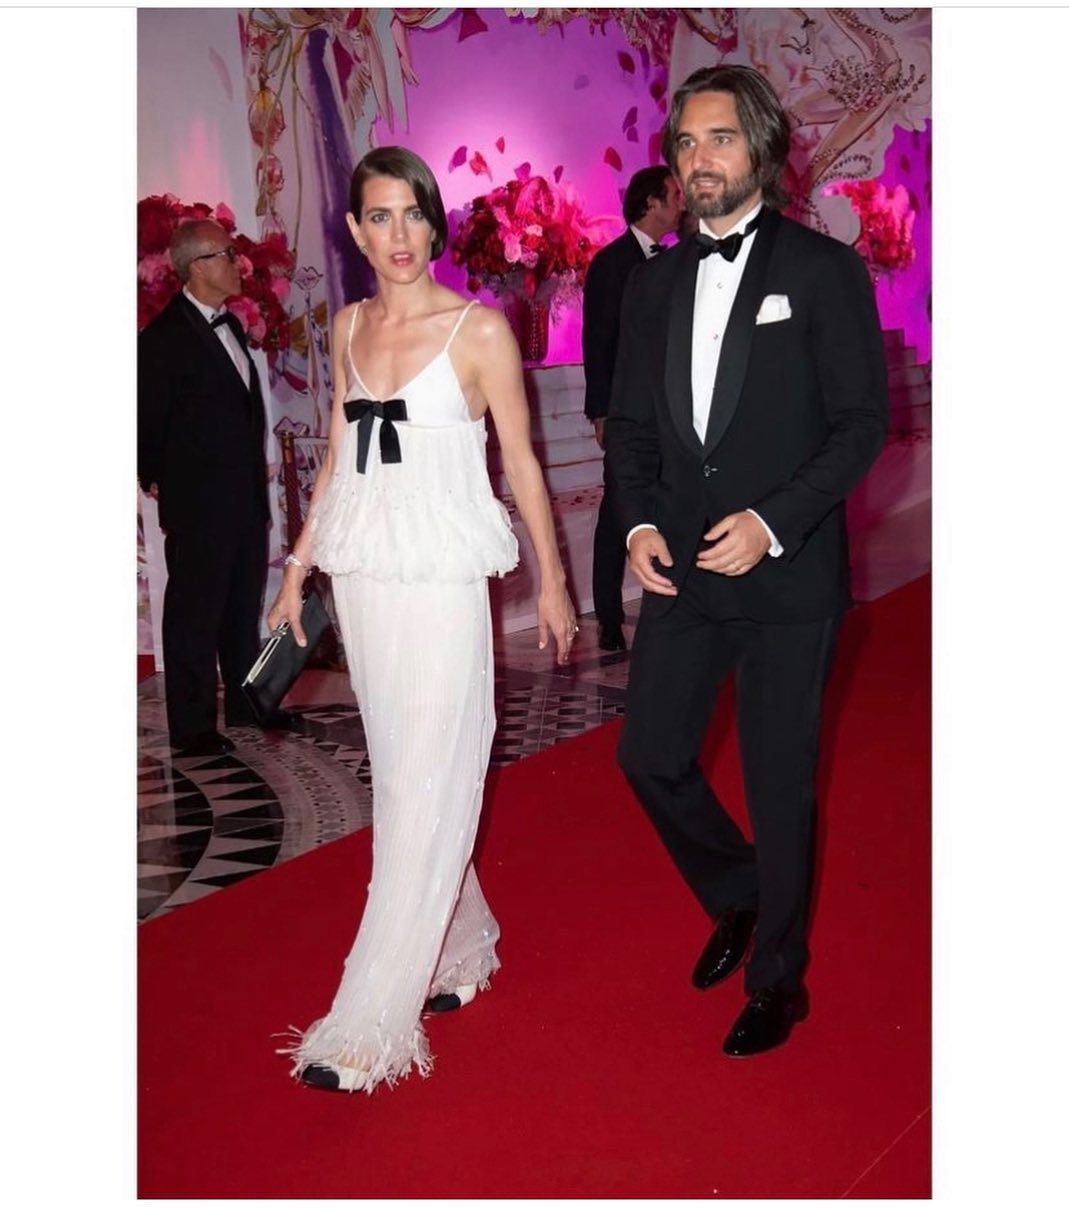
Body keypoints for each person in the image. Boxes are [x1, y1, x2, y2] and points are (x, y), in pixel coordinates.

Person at [269, 146, 577, 1094]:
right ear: (355, 230)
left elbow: (522, 462)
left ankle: (371, 1016)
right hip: (365, 574)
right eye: (379, 216)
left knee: (424, 776)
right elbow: (336, 457)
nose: (398, 234)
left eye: (412, 213)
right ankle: (464, 942)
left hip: (441, 579)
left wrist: (554, 582)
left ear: (433, 222)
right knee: (406, 767)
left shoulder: (477, 332)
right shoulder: (348, 327)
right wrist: (296, 569)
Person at [606, 64, 888, 1056]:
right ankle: (738, 890)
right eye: (686, 142)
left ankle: (778, 978)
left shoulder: (823, 270)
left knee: (777, 782)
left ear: (760, 148)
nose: (700, 158)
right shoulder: (652, 283)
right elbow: (630, 427)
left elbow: (860, 425)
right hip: (683, 569)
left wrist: (772, 522)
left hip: (786, 575)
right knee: (647, 756)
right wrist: (637, 524)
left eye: (719, 137)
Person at [138, 219, 300, 755]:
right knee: (194, 613)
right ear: (196, 267)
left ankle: (248, 703)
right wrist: (153, 476)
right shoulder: (161, 339)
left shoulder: (231, 326)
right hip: (198, 505)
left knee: (239, 608)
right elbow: (144, 419)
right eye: (227, 254)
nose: (239, 263)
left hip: (244, 500)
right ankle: (192, 727)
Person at [582, 166, 684, 651]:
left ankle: (666, 605)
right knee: (616, 510)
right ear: (651, 203)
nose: (681, 204)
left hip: (670, 409)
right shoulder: (611, 263)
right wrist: (602, 411)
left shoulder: (677, 262)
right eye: (673, 196)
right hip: (627, 410)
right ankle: (607, 615)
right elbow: (598, 342)